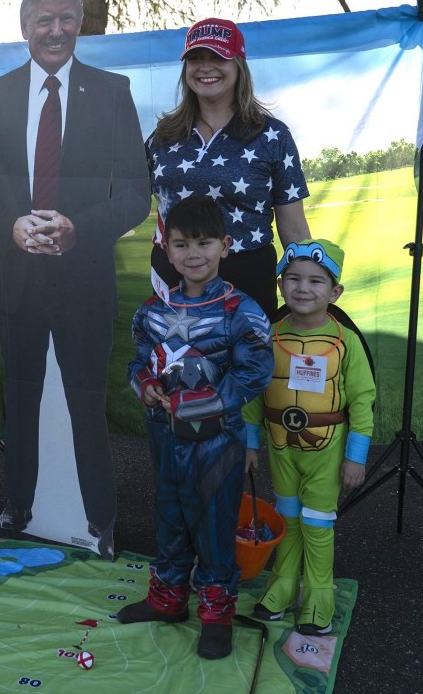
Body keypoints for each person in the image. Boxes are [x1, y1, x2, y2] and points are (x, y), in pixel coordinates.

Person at [0, 0, 150, 556]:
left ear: (80, 25)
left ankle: (99, 518)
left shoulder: (113, 92)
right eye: (44, 19)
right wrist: (8, 227)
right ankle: (21, 506)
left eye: (68, 18)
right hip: (16, 284)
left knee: (85, 401)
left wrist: (78, 229)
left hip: (85, 280)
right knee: (21, 398)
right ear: (24, 27)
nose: (57, 30)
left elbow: (136, 195)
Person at [119, 196, 272, 659]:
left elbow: (256, 371)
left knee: (212, 524)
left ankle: (216, 614)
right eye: (182, 244)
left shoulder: (241, 311)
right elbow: (138, 361)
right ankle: (167, 600)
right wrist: (145, 385)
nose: (193, 254)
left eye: (204, 243)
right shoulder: (152, 312)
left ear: (225, 246)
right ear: (166, 249)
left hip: (217, 443)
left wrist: (205, 403)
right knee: (169, 516)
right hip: (164, 437)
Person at [243, 239, 375, 635]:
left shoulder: (346, 342)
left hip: (327, 452)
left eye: (316, 281)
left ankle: (319, 593)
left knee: (318, 523)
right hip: (281, 448)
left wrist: (356, 457)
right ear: (281, 285)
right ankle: (282, 584)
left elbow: (362, 401)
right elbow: (252, 395)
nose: (304, 288)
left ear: (335, 292)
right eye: (294, 279)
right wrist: (250, 444)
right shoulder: (267, 337)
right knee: (287, 518)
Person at [148, 17, 312, 316]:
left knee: (248, 363)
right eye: (195, 58)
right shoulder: (163, 136)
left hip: (246, 278)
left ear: (238, 65)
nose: (205, 67)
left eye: (219, 58)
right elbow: (122, 201)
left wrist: (306, 283)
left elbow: (294, 227)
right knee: (173, 363)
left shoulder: (271, 135)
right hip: (175, 278)